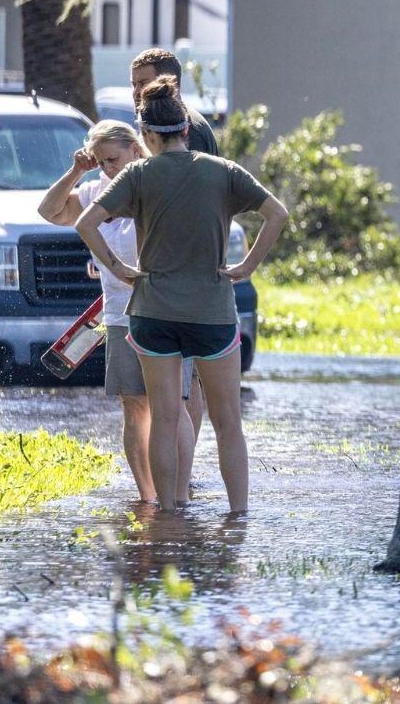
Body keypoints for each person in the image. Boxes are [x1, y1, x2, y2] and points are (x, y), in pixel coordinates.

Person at [76, 78, 288, 513]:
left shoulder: (137, 174)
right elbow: (277, 214)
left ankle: (169, 513)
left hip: (152, 311)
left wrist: (119, 270)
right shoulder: (223, 171)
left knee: (166, 419)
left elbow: (86, 223)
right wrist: (247, 266)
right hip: (212, 313)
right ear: (186, 130)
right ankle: (238, 516)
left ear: (148, 136)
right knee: (229, 423)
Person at [37, 121, 197, 504]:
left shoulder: (154, 185)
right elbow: (49, 211)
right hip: (119, 315)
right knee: (133, 405)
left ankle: (178, 493)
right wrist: (77, 170)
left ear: (137, 149)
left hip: (165, 312)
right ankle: (147, 497)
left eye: (114, 159)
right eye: (102, 161)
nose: (109, 168)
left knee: (170, 406)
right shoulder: (94, 192)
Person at [129, 48, 217, 444]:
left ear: (170, 84)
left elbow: (191, 197)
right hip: (174, 266)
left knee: (186, 381)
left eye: (143, 84)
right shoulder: (160, 124)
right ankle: (181, 463)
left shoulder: (186, 129)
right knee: (182, 378)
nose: (136, 93)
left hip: (185, 266)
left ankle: (184, 463)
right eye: (133, 85)